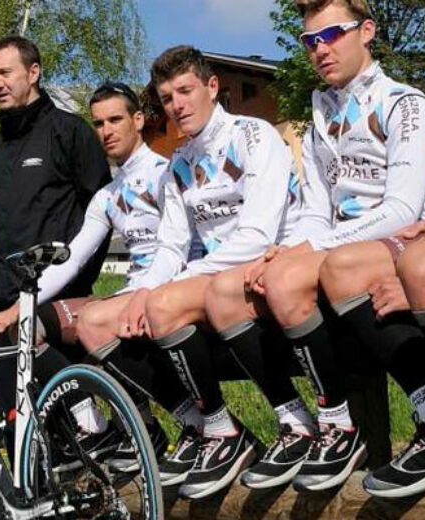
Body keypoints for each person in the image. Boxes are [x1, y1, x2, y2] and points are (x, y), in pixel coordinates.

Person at [205, 0, 425, 491]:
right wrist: (289, 248)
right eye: (310, 41)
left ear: (367, 31)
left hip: (408, 244)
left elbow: (403, 210)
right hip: (342, 250)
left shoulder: (405, 104)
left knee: (305, 273)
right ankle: (308, 424)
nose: (320, 49)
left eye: (332, 35)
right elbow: (316, 211)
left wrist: (312, 250)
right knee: (230, 290)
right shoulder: (320, 123)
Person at [113, 45, 321, 499]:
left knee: (167, 303)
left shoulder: (254, 135)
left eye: (185, 91)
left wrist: (175, 284)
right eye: (167, 98)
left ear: (212, 87)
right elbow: (170, 245)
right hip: (216, 278)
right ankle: (210, 428)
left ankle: (292, 422)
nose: (177, 105)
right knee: (106, 319)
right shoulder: (179, 163)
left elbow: (257, 235)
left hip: (273, 267)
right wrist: (141, 290)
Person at [0, 81, 199, 481]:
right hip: (129, 293)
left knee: (96, 322)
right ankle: (101, 425)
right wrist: (18, 306)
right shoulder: (107, 195)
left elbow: (183, 247)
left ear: (137, 120)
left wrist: (144, 293)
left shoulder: (166, 174)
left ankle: (193, 423)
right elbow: (73, 258)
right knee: (26, 326)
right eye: (98, 123)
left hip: (171, 289)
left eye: (115, 120)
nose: (106, 131)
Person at [0, 36, 112, 419]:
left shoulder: (69, 132)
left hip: (54, 298)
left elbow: (103, 215)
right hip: (2, 300)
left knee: (71, 425)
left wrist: (75, 278)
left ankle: (97, 424)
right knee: (16, 428)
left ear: (33, 72)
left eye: (6, 73)